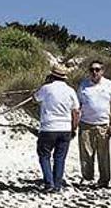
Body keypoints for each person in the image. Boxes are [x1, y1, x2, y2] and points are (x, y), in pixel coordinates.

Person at [34, 64, 80, 193]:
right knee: (60, 158)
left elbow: (35, 98)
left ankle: (49, 183)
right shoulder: (70, 90)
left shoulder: (46, 88)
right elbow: (76, 112)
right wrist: (74, 128)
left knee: (44, 155)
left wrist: (45, 83)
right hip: (65, 128)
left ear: (52, 75)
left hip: (49, 127)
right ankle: (57, 184)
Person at [76, 60, 111, 188]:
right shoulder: (83, 85)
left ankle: (104, 180)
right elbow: (78, 105)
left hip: (103, 125)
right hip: (85, 124)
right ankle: (87, 177)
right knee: (86, 154)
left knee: (103, 155)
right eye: (92, 70)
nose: (94, 72)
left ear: (102, 71)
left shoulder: (109, 84)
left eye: (97, 69)